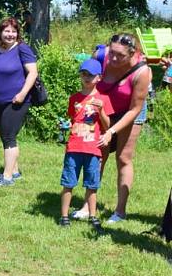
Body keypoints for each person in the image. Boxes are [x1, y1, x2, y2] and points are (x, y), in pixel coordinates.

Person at [72, 33, 151, 223]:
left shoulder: (142, 72)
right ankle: (87, 205)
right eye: (112, 53)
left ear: (133, 53)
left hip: (129, 113)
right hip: (102, 109)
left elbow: (135, 109)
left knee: (123, 157)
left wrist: (111, 131)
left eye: (120, 55)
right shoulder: (101, 55)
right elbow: (90, 79)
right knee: (98, 155)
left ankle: (120, 211)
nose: (113, 58)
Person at [59, 59, 114, 232]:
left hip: (93, 149)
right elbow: (72, 119)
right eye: (83, 74)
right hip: (74, 147)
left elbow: (107, 126)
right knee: (68, 182)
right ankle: (64, 216)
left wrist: (102, 111)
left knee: (92, 185)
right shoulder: (74, 98)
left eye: (90, 75)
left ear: (99, 77)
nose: (86, 77)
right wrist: (65, 126)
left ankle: (93, 216)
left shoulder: (103, 99)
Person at [0, 17, 38, 187]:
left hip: (16, 100)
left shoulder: (22, 49)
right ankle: (15, 172)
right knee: (6, 136)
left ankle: (6, 177)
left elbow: (33, 73)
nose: (10, 34)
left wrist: (22, 94)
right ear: (0, 33)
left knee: (9, 137)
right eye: (7, 31)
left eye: (14, 31)